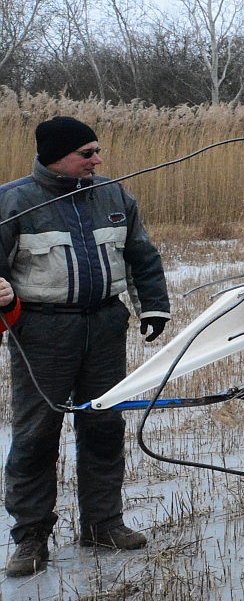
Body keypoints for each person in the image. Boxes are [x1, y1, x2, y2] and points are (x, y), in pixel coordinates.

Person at [0, 117, 170, 577]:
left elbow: (142, 256)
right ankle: (30, 538)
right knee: (36, 436)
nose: (98, 160)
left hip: (105, 326)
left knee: (104, 426)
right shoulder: (12, 202)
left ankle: (103, 524)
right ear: (57, 155)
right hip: (41, 333)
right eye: (88, 153)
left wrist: (153, 307)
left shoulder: (115, 196)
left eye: (97, 152)